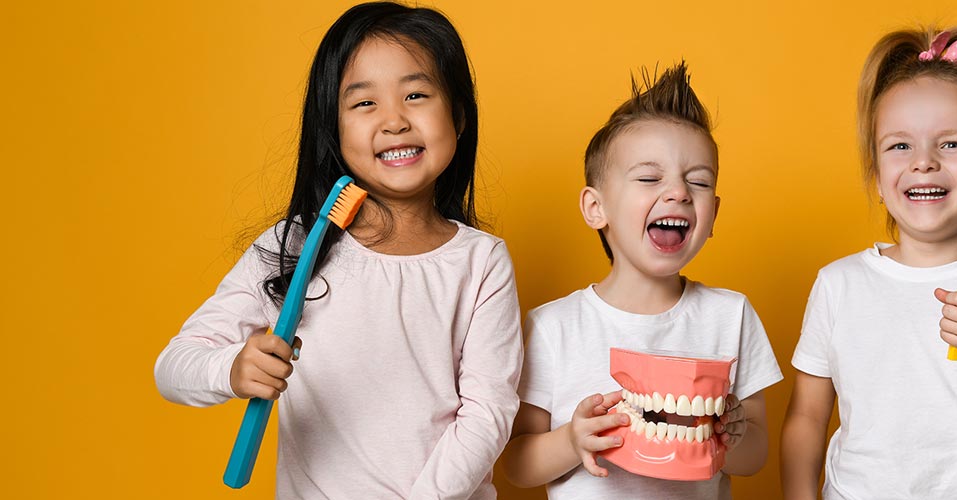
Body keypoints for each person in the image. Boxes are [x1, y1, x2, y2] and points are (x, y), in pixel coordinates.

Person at [154, 3, 522, 497]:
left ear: (457, 117)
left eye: (416, 94)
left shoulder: (481, 262)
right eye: (364, 103)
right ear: (334, 128)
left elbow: (488, 413)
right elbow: (173, 368)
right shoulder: (293, 247)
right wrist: (232, 370)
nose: (394, 121)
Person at [780, 26, 957, 500]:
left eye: (951, 144)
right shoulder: (838, 285)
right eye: (900, 146)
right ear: (877, 176)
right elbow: (807, 419)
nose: (924, 163)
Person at [502, 62, 783, 499]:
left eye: (699, 181)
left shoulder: (731, 315)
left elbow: (757, 455)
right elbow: (517, 464)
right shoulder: (553, 327)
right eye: (650, 177)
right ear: (596, 208)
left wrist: (737, 436)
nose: (679, 193)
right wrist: (571, 441)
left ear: (713, 217)